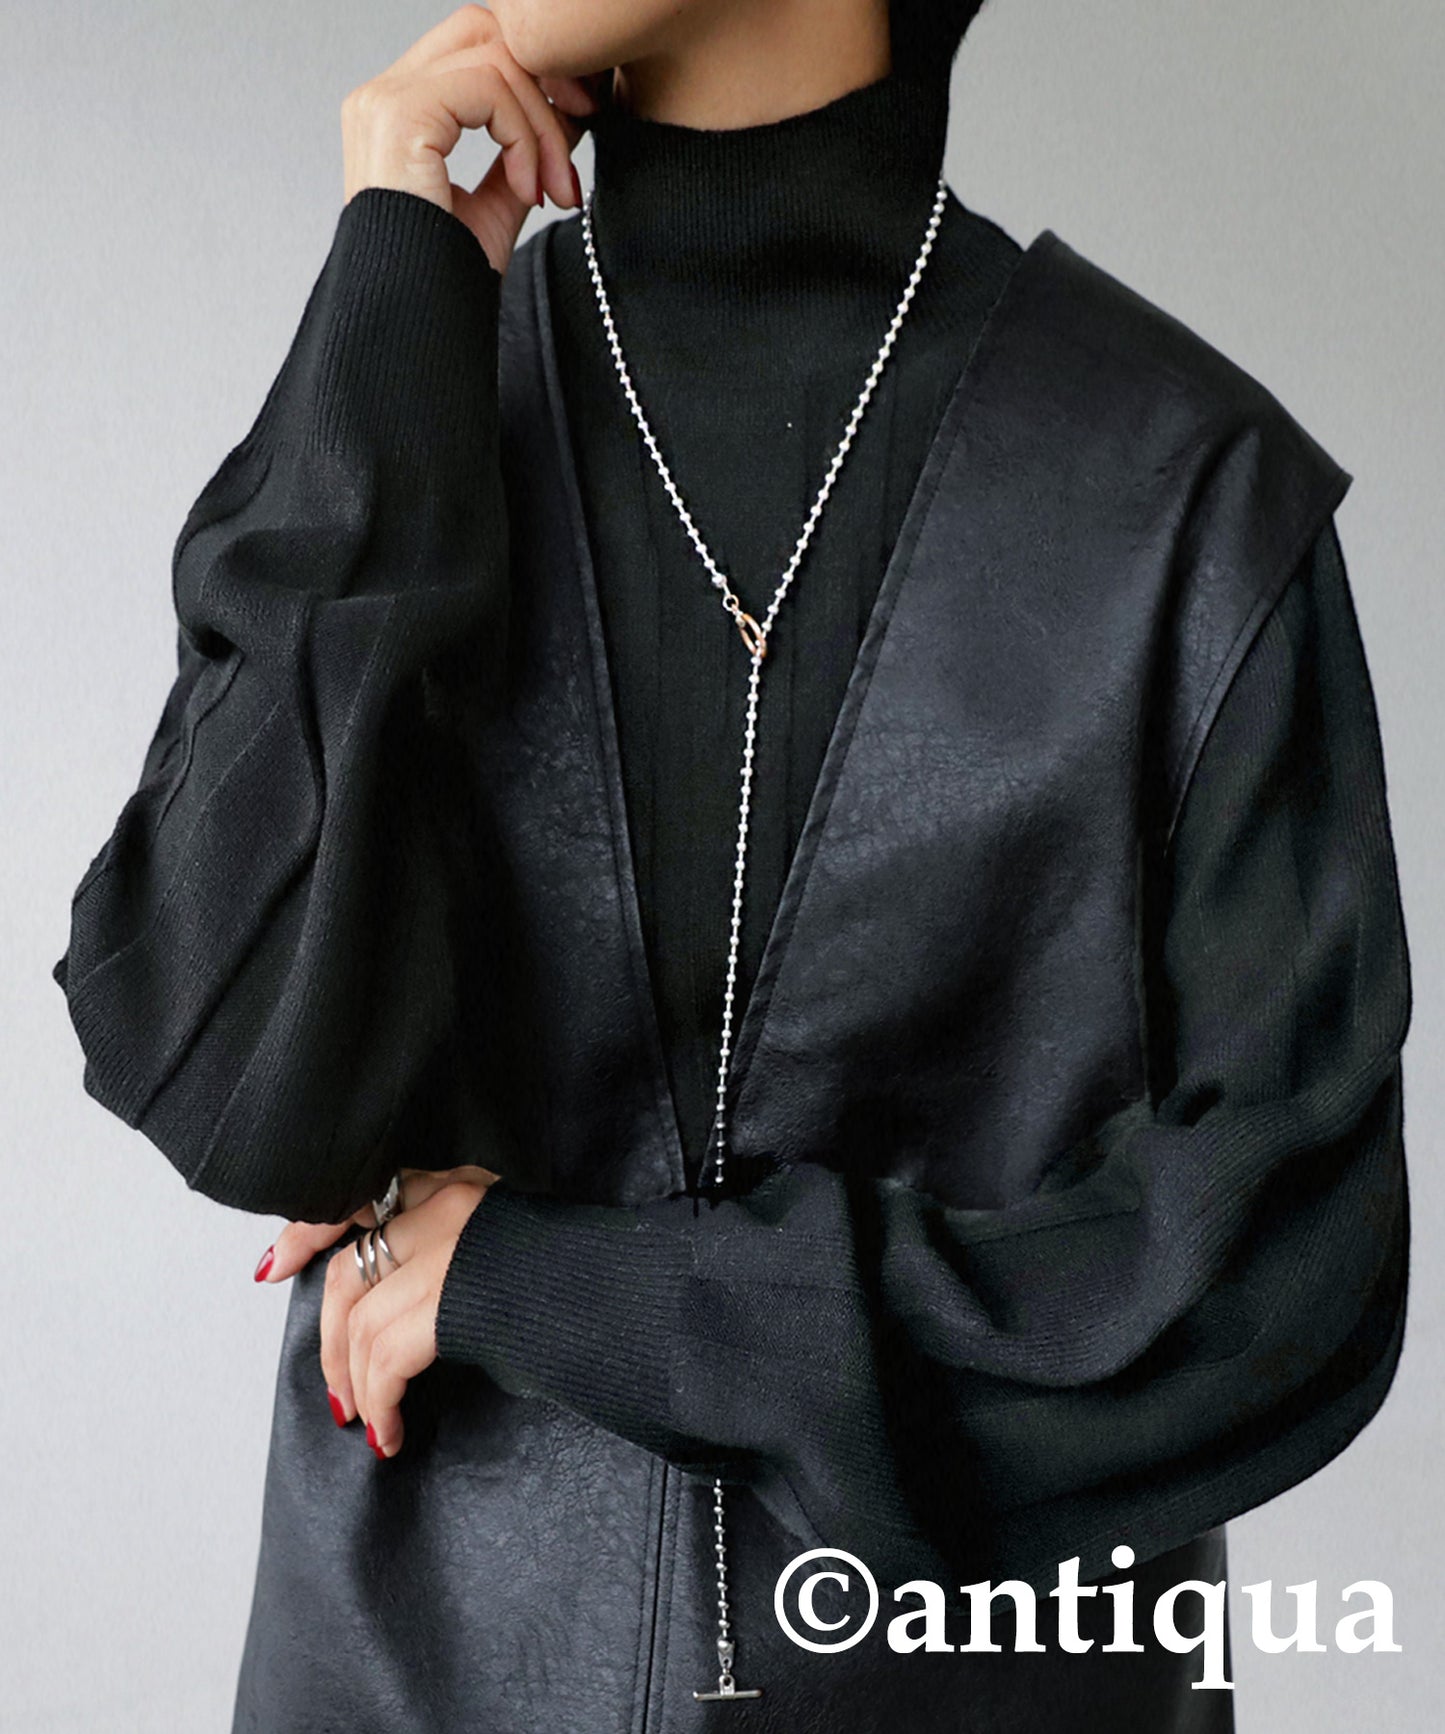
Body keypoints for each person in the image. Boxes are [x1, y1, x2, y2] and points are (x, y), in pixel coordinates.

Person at [52, 2, 1411, 1730]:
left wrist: (563, 1289)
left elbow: (1274, 1281)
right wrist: (391, 290)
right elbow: (222, 1068)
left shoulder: (1182, 497)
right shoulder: (421, 393)